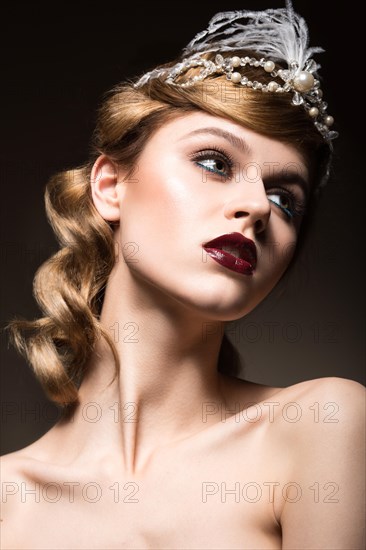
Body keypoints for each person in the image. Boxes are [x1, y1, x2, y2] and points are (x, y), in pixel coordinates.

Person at [1, 3, 364, 549]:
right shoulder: (8, 504)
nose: (255, 208)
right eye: (215, 162)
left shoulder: (318, 426)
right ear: (110, 185)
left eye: (284, 198)